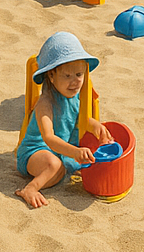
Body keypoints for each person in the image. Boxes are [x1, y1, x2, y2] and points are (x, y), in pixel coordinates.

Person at [16, 32, 113, 208]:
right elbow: (49, 138)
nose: (75, 82)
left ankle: (53, 171)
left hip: (59, 152)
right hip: (36, 152)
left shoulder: (76, 97)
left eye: (78, 74)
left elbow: (79, 120)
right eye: (67, 76)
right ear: (51, 77)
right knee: (54, 165)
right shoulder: (45, 102)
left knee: (65, 167)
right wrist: (74, 153)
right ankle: (30, 189)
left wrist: (95, 126)